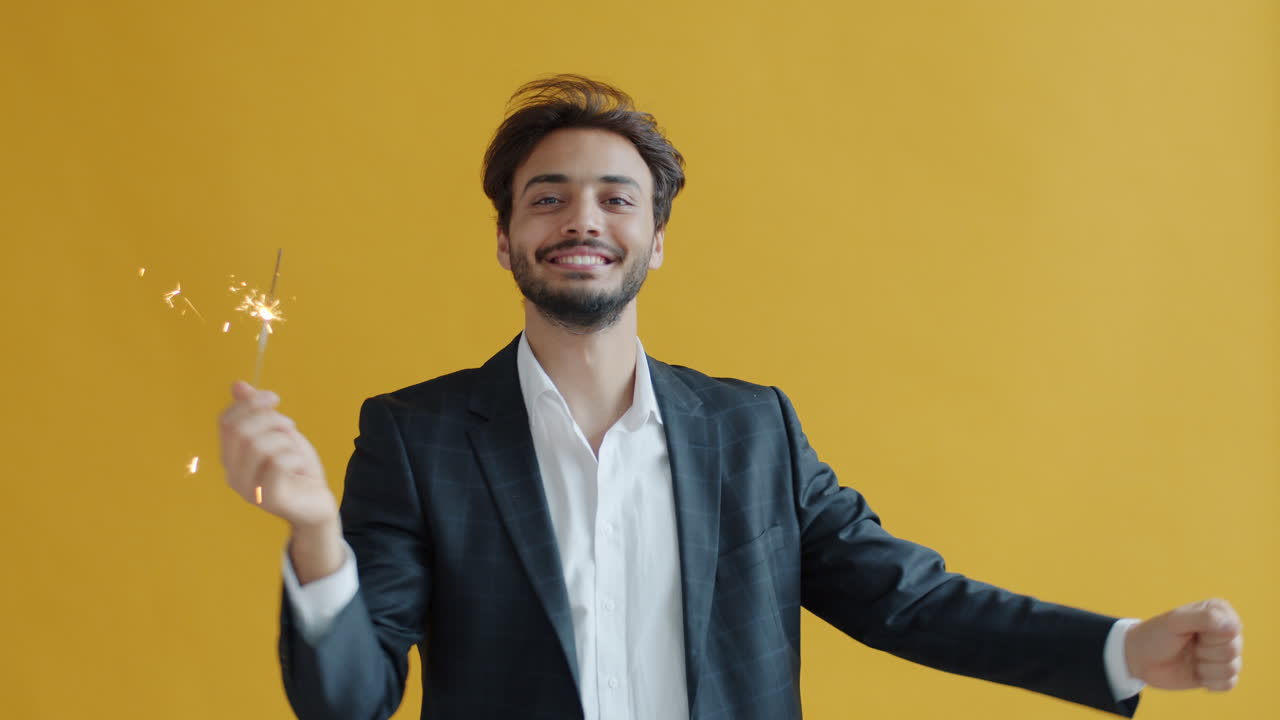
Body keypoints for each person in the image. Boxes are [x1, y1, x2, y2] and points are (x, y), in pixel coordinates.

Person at [218, 75, 1244, 720]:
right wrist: (316, 535)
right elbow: (347, 699)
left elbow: (908, 600)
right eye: (547, 197)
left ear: (655, 239)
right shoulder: (417, 437)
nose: (583, 218)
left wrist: (1118, 648)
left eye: (616, 198)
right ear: (503, 240)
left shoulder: (754, 433)